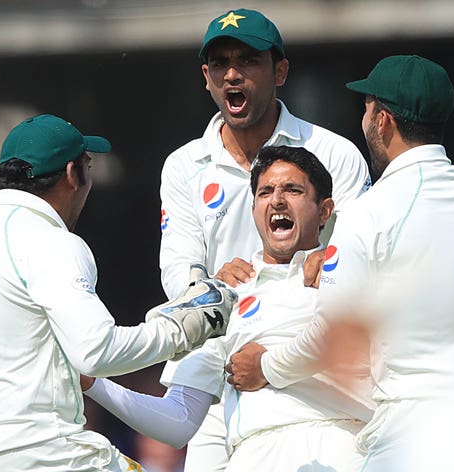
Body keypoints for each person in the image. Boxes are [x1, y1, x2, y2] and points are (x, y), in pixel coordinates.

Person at [227, 55, 454, 469]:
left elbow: (332, 333)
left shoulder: (371, 211)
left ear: (382, 121)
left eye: (365, 108)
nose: (363, 119)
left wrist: (266, 365)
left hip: (410, 430)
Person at [0, 114, 236, 472]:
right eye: (88, 166)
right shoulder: (53, 242)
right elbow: (96, 351)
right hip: (46, 456)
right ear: (72, 174)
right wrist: (184, 327)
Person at [158, 8, 371, 470]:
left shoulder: (335, 153)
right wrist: (213, 286)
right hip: (220, 357)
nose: (233, 74)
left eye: (249, 61)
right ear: (206, 77)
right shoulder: (183, 165)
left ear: (280, 71)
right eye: (221, 64)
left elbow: (363, 254)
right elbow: (177, 264)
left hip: (307, 365)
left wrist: (327, 258)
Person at [84, 145, 375, 471]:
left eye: (293, 190)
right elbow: (178, 421)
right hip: (253, 456)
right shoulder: (223, 297)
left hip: (342, 450)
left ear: (324, 211)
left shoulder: (350, 275)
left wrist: (267, 368)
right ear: (253, 209)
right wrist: (93, 384)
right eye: (265, 192)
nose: (277, 200)